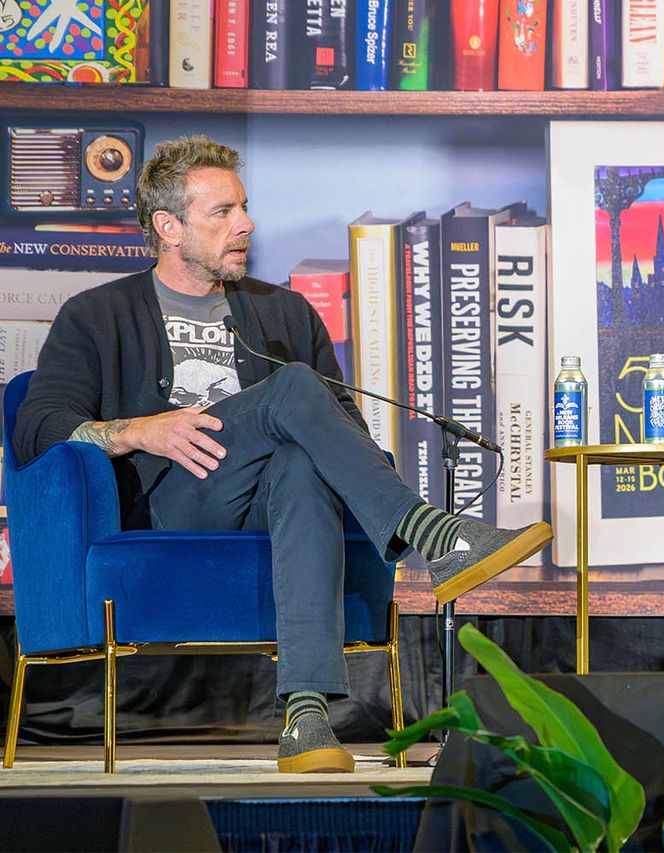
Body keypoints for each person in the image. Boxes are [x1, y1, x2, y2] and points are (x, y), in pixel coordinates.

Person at [13, 136, 552, 774]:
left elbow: (344, 430)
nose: (246, 225)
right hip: (175, 502)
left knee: (301, 465)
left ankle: (305, 717)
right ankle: (433, 534)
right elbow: (38, 430)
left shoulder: (285, 312)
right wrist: (139, 431)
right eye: (222, 213)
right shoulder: (97, 315)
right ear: (168, 227)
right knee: (294, 385)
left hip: (273, 506)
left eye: (244, 208)